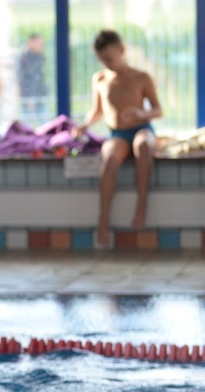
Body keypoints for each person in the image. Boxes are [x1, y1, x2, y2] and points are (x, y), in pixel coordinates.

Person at [73, 29, 162, 247]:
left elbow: (158, 110)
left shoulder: (141, 77)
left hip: (142, 129)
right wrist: (85, 124)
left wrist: (142, 113)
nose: (107, 63)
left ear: (121, 51)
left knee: (142, 146)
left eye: (110, 58)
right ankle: (103, 221)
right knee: (110, 158)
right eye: (102, 60)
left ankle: (141, 206)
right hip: (118, 134)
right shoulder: (100, 79)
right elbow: (97, 111)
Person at [18, 33, 47, 117]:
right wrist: (29, 98)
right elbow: (23, 80)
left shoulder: (41, 57)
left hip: (40, 96)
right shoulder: (24, 59)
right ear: (30, 43)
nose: (41, 46)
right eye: (39, 44)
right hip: (29, 98)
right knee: (28, 123)